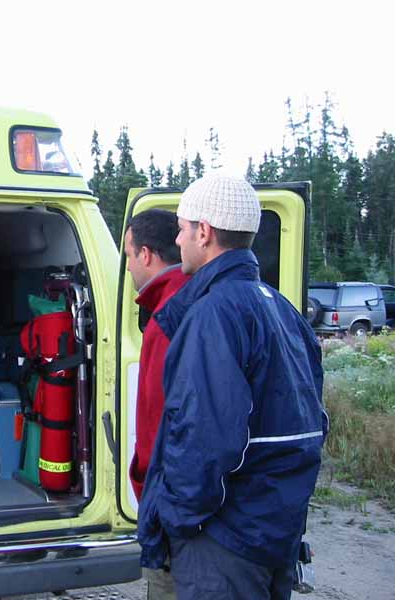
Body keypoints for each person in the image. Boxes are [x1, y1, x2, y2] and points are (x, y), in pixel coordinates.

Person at [138, 175, 328, 600]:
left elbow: (206, 439)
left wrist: (178, 519)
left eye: (183, 228)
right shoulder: (279, 307)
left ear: (203, 233)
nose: (180, 239)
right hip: (274, 530)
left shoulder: (213, 315)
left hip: (225, 542)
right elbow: (314, 419)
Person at [124, 209, 189, 600]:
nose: (130, 266)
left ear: (146, 255)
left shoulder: (168, 316)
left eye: (130, 255)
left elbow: (156, 424)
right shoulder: (205, 297)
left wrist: (149, 497)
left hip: (175, 503)